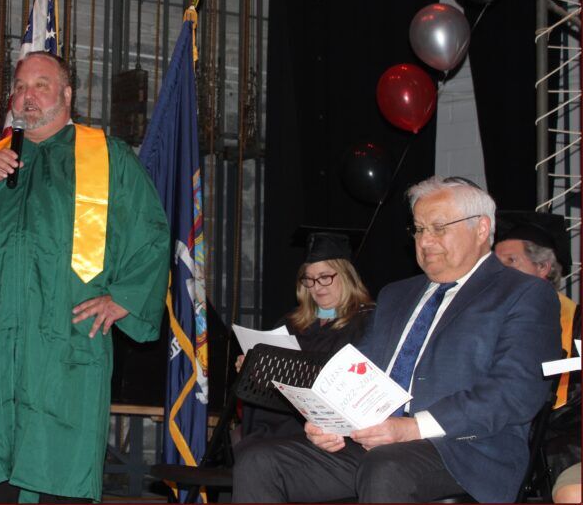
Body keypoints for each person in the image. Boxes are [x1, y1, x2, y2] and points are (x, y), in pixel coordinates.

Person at [0, 52, 170, 503]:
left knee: (60, 469)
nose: (27, 96)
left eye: (41, 85)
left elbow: (150, 233)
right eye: (20, 86)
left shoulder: (106, 157)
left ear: (67, 94)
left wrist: (124, 297)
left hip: (65, 344)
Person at [234, 175, 561, 503]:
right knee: (259, 461)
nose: (425, 240)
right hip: (374, 443)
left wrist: (413, 427)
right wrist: (329, 419)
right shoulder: (396, 295)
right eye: (418, 229)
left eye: (438, 228)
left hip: (465, 450)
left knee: (385, 466)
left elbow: (515, 390)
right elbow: (358, 371)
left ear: (481, 228)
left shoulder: (523, 294)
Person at [230, 232, 373, 495]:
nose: (317, 287)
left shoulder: (368, 322)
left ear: (347, 275)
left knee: (257, 458)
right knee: (250, 450)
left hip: (331, 436)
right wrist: (252, 371)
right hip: (277, 426)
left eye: (325, 277)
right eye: (309, 279)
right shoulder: (291, 323)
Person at [494, 212, 581, 485]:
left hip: (561, 438)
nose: (499, 273)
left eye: (511, 261)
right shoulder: (485, 320)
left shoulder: (576, 321)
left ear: (543, 267)